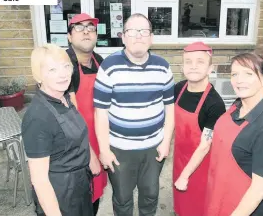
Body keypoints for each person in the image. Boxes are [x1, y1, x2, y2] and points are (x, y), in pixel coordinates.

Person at [94, 13, 175, 216]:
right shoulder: (108, 67)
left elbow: (170, 109)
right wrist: (104, 150)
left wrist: (166, 142)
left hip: (153, 148)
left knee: (150, 195)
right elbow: (100, 113)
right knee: (122, 198)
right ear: (123, 37)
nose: (138, 36)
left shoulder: (163, 67)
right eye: (132, 31)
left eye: (143, 31)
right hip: (120, 150)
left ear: (151, 37)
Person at [204, 52, 263, 216]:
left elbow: (259, 189)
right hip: (218, 195)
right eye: (234, 74)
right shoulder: (240, 103)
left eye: (248, 74)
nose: (239, 80)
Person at [21, 44, 93, 216]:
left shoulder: (64, 98)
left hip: (80, 186)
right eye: (52, 69)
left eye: (66, 66)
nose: (63, 74)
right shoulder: (38, 117)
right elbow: (39, 180)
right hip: (60, 195)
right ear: (39, 75)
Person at [173, 41, 226, 216]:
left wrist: (185, 175)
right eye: (188, 61)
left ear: (211, 68)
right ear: (182, 67)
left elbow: (205, 145)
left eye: (200, 62)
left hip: (201, 165)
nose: (193, 66)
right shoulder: (179, 89)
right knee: (180, 204)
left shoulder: (215, 104)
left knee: (197, 206)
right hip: (179, 157)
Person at [66, 13, 107, 215]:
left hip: (98, 139)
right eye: (79, 28)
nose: (86, 32)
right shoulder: (65, 66)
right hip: (76, 147)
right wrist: (89, 153)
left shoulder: (100, 61)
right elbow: (69, 117)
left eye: (90, 28)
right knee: (78, 200)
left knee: (95, 195)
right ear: (69, 36)